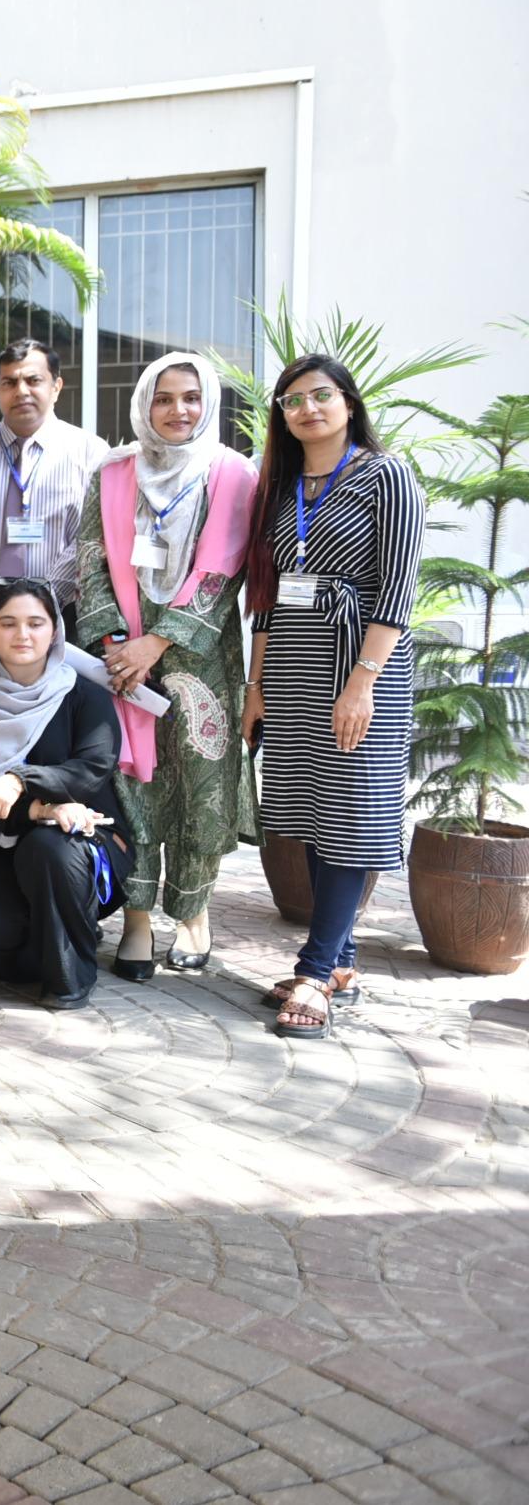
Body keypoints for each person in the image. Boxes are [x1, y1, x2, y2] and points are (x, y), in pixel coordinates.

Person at [241, 355, 423, 1039]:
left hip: (359, 664)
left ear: (348, 401)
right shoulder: (282, 485)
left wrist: (362, 683)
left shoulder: (386, 475)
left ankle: (315, 972)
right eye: (292, 400)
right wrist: (256, 686)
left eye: (320, 395)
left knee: (351, 812)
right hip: (292, 665)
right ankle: (341, 964)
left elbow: (397, 591)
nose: (307, 408)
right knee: (317, 812)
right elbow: (266, 597)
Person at [76, 353, 258, 980]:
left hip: (199, 660)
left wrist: (156, 643)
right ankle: (135, 919)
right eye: (163, 398)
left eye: (191, 397)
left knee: (198, 787)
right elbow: (90, 558)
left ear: (208, 404)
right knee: (130, 784)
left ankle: (193, 914)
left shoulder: (231, 472)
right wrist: (114, 644)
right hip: (120, 657)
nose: (178, 410)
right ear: (144, 405)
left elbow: (223, 569)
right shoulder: (114, 472)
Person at [0, 580, 132, 1010]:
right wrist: (41, 809)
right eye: (7, 623)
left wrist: (20, 780)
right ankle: (49, 937)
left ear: (55, 630)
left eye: (35, 623)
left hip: (82, 835)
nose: (22, 634)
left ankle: (70, 976)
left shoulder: (83, 695)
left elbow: (93, 768)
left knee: (49, 849)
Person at [0, 341, 111, 688]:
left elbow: (92, 535)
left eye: (33, 380)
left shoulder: (90, 452)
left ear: (56, 386)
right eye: (9, 382)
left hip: (62, 618)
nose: (21, 391)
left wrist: (41, 604)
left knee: (57, 715)